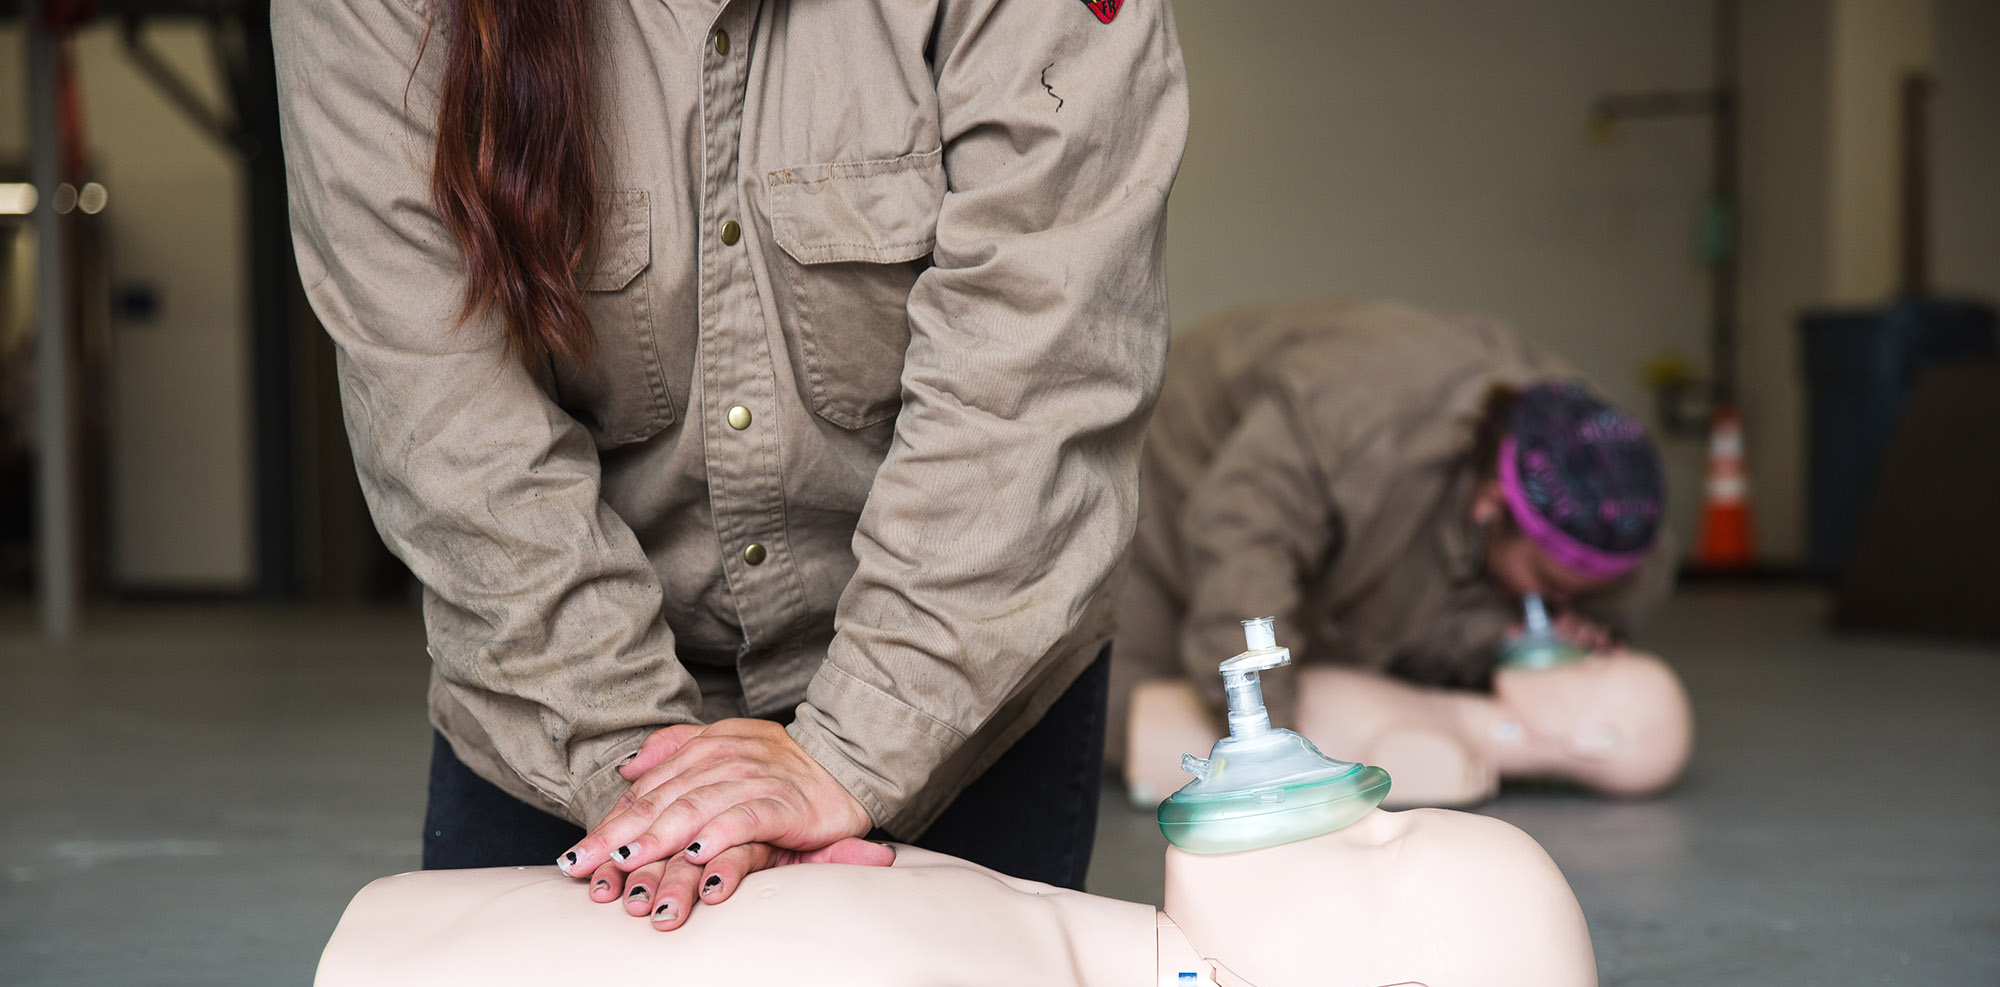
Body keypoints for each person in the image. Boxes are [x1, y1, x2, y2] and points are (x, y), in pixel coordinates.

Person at [273, 0, 1189, 927]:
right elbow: (445, 416)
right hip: (558, 700)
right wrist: (655, 788)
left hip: (956, 689)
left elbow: (1036, 367)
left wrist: (852, 748)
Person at [1109, 300, 1674, 763]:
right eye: (1548, 583)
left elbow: (1422, 610)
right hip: (1174, 477)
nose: (1557, 604)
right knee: (1140, 722)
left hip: (1354, 508)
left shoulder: (1615, 498)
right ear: (1491, 505)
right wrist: (1273, 754)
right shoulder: (1353, 421)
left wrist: (1514, 640)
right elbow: (1242, 559)